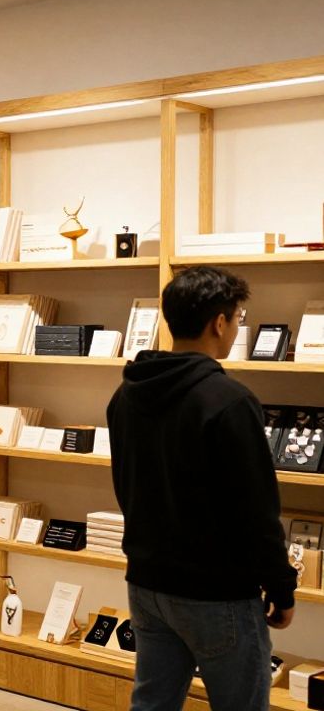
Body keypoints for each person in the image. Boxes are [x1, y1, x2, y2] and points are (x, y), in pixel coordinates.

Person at [107, 266, 295, 711]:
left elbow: (126, 487)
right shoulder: (230, 400)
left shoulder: (126, 395)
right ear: (220, 322)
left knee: (152, 703)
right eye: (238, 317)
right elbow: (257, 510)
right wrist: (282, 588)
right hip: (218, 592)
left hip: (147, 583)